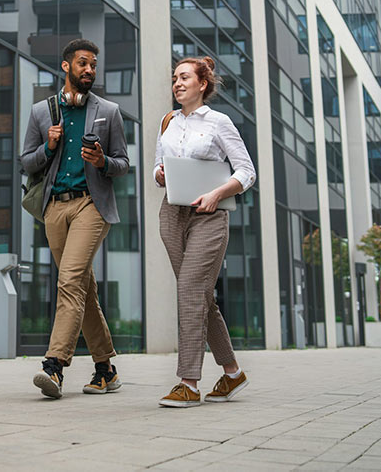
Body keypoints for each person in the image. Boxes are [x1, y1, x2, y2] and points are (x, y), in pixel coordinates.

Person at [20, 38, 130, 399]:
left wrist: (102, 162)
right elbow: (26, 162)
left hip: (90, 205)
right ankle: (105, 369)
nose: (89, 70)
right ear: (66, 66)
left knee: (68, 281)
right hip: (54, 208)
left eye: (93, 65)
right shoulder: (41, 112)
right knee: (83, 288)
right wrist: (48, 147)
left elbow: (122, 164)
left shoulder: (109, 111)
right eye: (83, 64)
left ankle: (54, 366)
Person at [153, 56, 255, 407]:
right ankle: (232, 373)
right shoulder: (168, 121)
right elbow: (156, 165)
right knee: (200, 297)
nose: (177, 83)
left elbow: (246, 172)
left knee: (189, 290)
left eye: (184, 77)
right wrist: (159, 175)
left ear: (202, 84)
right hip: (172, 214)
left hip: (208, 217)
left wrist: (216, 194)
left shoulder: (218, 123)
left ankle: (189, 382)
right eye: (174, 78)